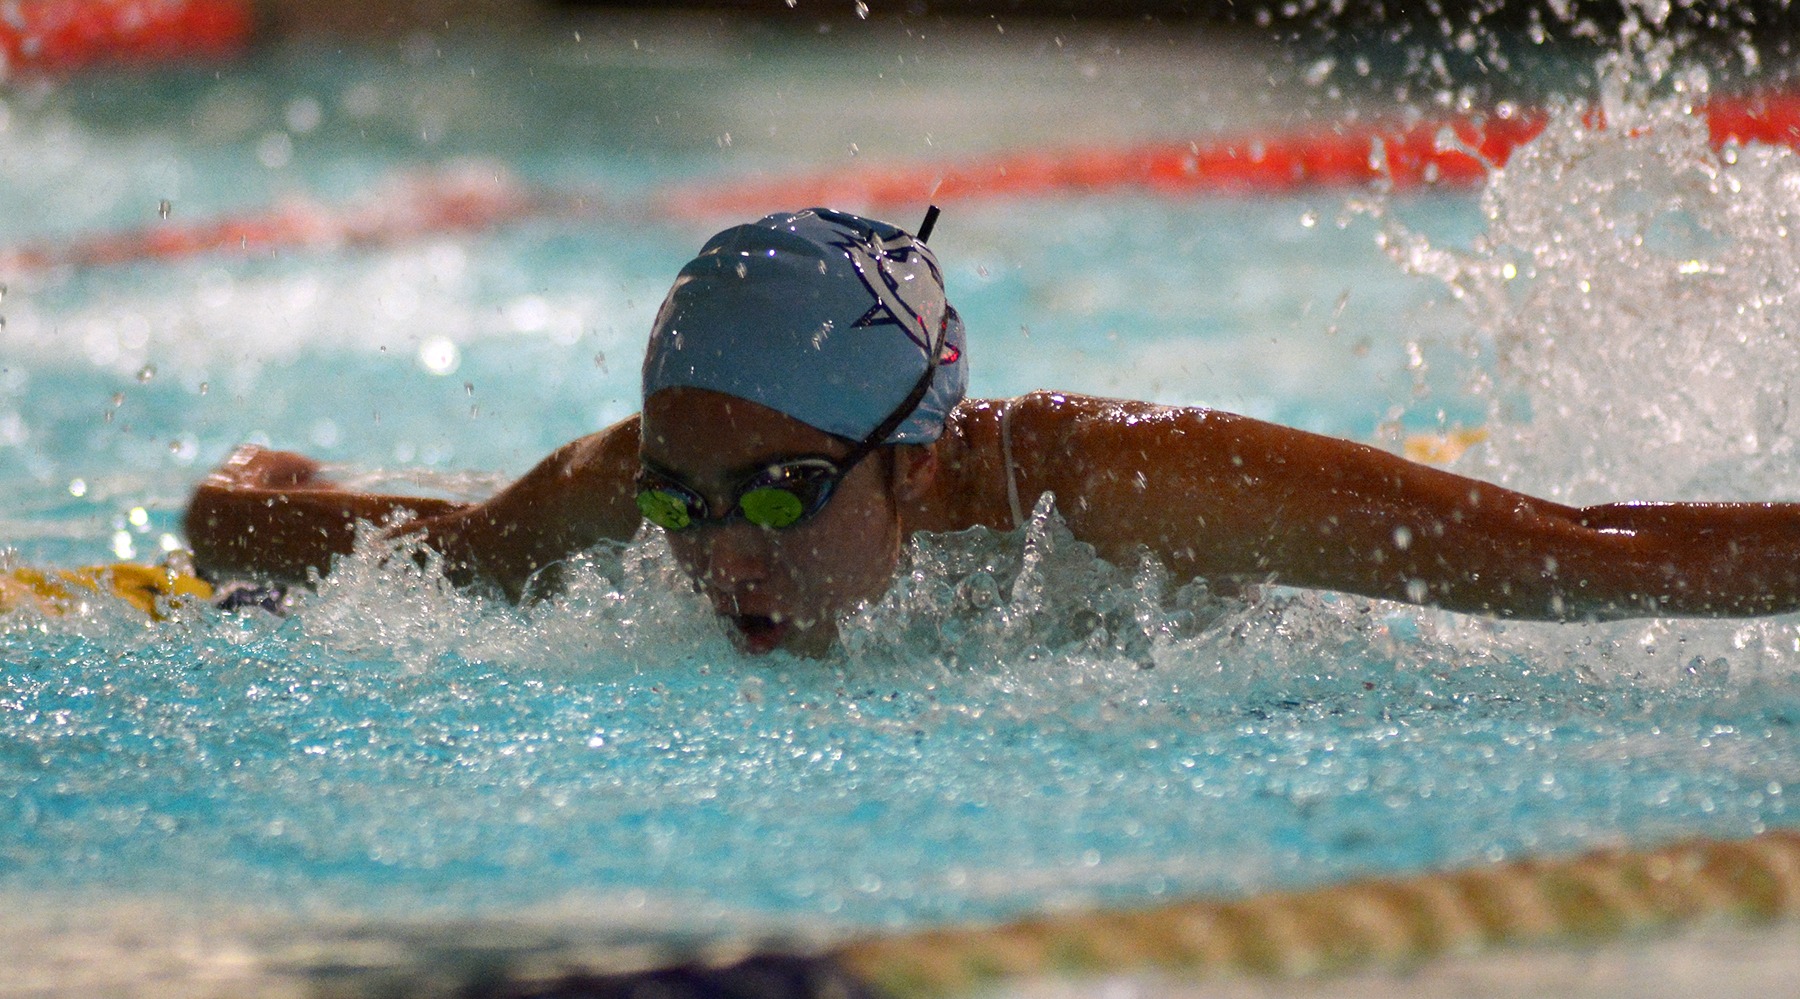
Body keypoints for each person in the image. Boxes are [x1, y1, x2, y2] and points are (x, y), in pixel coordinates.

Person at [184, 207, 1800, 656]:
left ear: (922, 456)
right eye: (688, 499)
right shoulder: (659, 487)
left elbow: (1595, 559)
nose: (723, 551)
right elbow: (442, 553)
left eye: (787, 494)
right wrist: (246, 501)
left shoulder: (1135, 488)